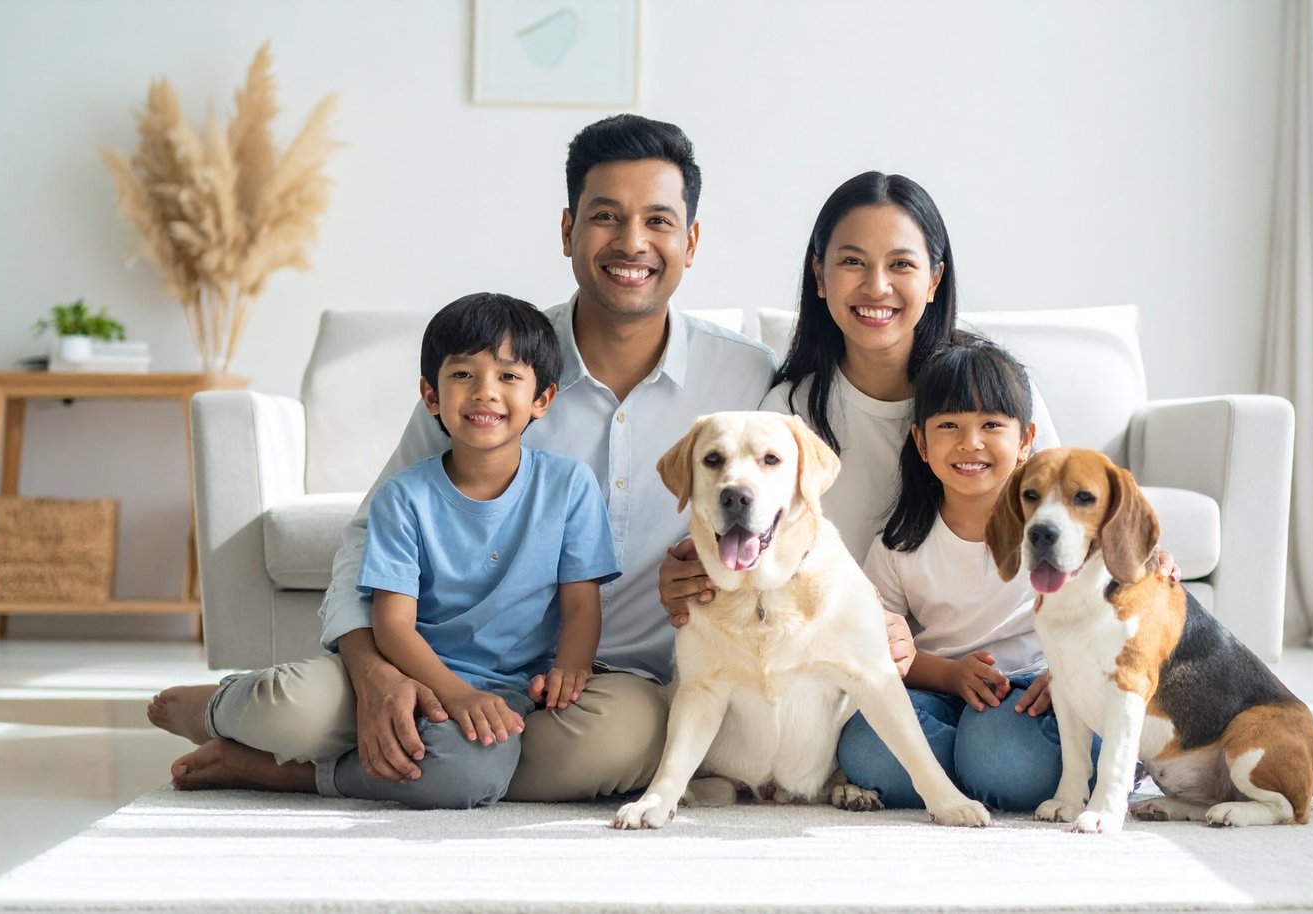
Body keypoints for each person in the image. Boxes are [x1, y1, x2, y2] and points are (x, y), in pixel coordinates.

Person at [149, 114, 778, 802]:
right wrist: (372, 670)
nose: (633, 243)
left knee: (619, 746)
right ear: (568, 230)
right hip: (435, 659)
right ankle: (238, 708)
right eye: (606, 216)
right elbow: (370, 539)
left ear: (690, 241)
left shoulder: (747, 382)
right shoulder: (492, 372)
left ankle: (301, 770)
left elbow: (795, 520)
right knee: (298, 710)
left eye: (658, 221)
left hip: (607, 692)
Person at [149, 293, 623, 808]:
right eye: (463, 375)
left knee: (468, 776)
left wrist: (568, 675)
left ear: (543, 399)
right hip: (401, 669)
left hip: (505, 691)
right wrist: (451, 691)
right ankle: (213, 708)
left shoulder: (570, 486)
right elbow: (393, 625)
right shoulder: (405, 495)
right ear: (431, 395)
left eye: (508, 377)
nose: (485, 393)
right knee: (282, 705)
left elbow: (581, 604)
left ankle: (280, 772)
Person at [658, 171, 1060, 619]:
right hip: (847, 654)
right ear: (820, 275)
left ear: (933, 280)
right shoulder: (788, 415)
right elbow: (751, 551)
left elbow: (1075, 520)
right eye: (852, 262)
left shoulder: (995, 393)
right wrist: (695, 575)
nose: (877, 286)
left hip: (1004, 664)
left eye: (901, 264)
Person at [833, 336, 1066, 811]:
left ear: (1025, 441)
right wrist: (951, 675)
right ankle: (967, 765)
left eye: (991, 425)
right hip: (939, 690)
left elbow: (1107, 614)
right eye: (949, 425)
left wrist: (1068, 675)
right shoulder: (902, 542)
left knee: (1003, 754)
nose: (970, 442)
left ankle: (976, 763)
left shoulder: (1055, 530)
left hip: (1033, 693)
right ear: (921, 441)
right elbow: (878, 647)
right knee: (865, 749)